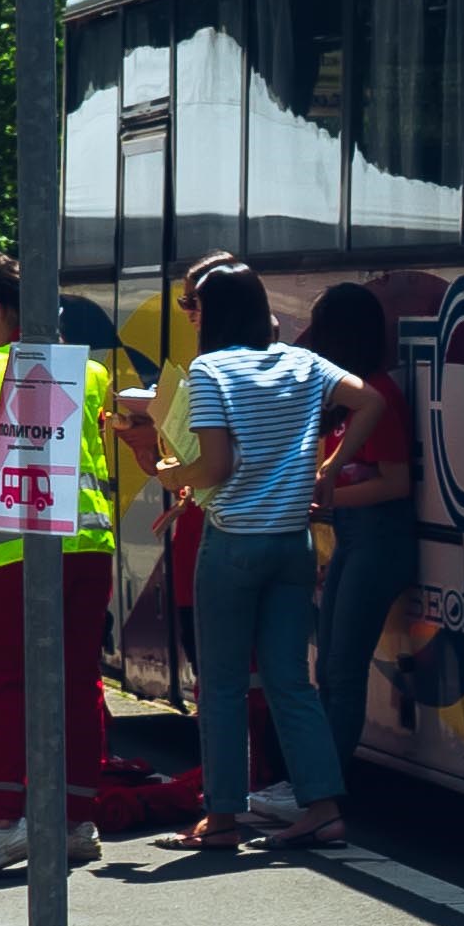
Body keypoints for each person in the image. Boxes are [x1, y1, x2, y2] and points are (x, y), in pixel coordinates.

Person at [164, 267, 365, 854]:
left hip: (233, 541)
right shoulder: (304, 364)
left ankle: (222, 819)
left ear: (214, 313)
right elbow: (368, 400)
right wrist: (328, 469)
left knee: (222, 685)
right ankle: (324, 811)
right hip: (292, 542)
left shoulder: (210, 370)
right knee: (291, 684)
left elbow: (217, 466)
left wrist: (173, 472)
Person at [0, 248, 118, 840]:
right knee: (79, 681)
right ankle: (77, 819)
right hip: (89, 543)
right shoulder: (90, 370)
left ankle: (7, 820)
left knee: (10, 683)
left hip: (17, 546)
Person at [300, 279, 418, 787]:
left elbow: (397, 483)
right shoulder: (349, 396)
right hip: (351, 538)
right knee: (328, 668)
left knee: (342, 670)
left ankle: (322, 787)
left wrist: (325, 499)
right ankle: (319, 781)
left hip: (378, 541)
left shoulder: (380, 396)